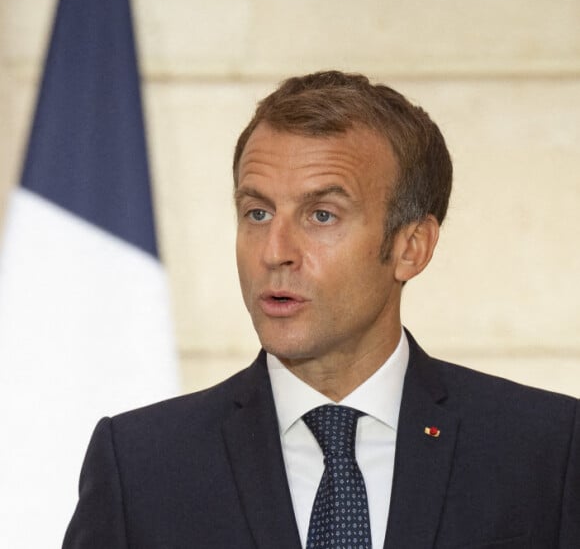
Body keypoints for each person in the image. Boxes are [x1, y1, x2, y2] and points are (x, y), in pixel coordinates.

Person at [63, 71, 580, 548]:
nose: (275, 251)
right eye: (257, 212)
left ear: (411, 246)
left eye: (322, 215)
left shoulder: (546, 451)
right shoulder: (140, 464)